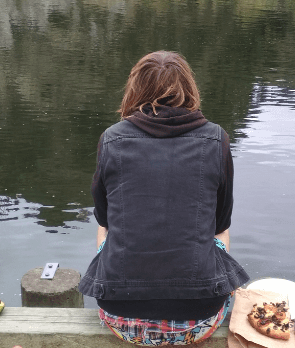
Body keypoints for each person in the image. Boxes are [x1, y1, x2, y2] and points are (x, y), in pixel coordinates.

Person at [79, 51, 249, 346]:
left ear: (134, 90)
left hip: (121, 317)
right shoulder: (216, 139)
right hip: (198, 318)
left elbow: (104, 219)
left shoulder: (111, 139)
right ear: (189, 89)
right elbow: (220, 223)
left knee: (105, 227)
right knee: (218, 232)